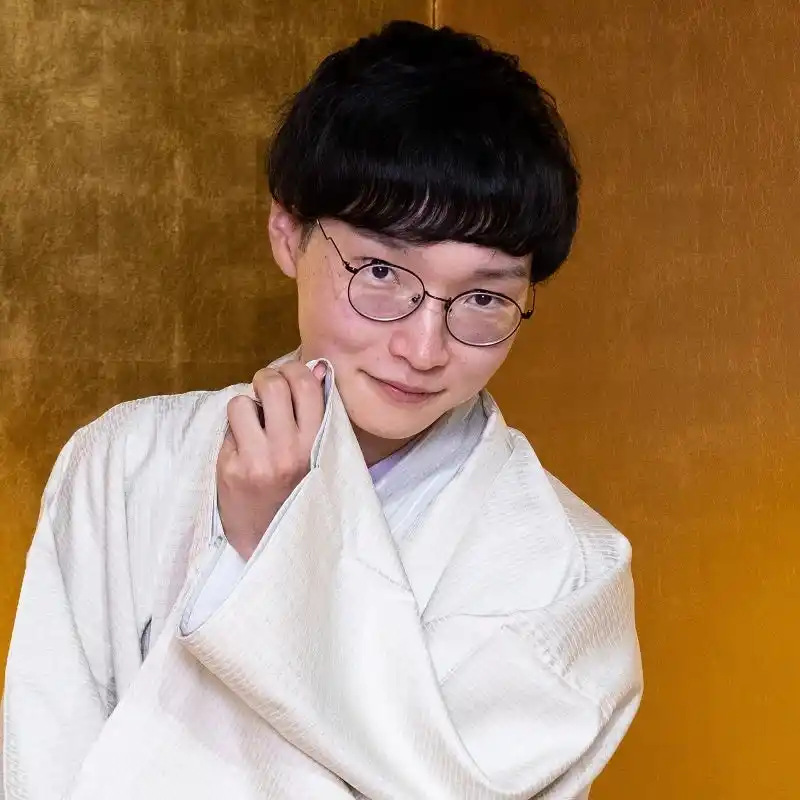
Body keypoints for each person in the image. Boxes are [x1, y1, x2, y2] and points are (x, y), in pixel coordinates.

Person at [1, 19, 642, 800]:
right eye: (380, 272)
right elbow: (38, 761)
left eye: (483, 297)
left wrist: (276, 557)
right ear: (288, 234)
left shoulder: (568, 570)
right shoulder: (125, 464)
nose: (424, 347)